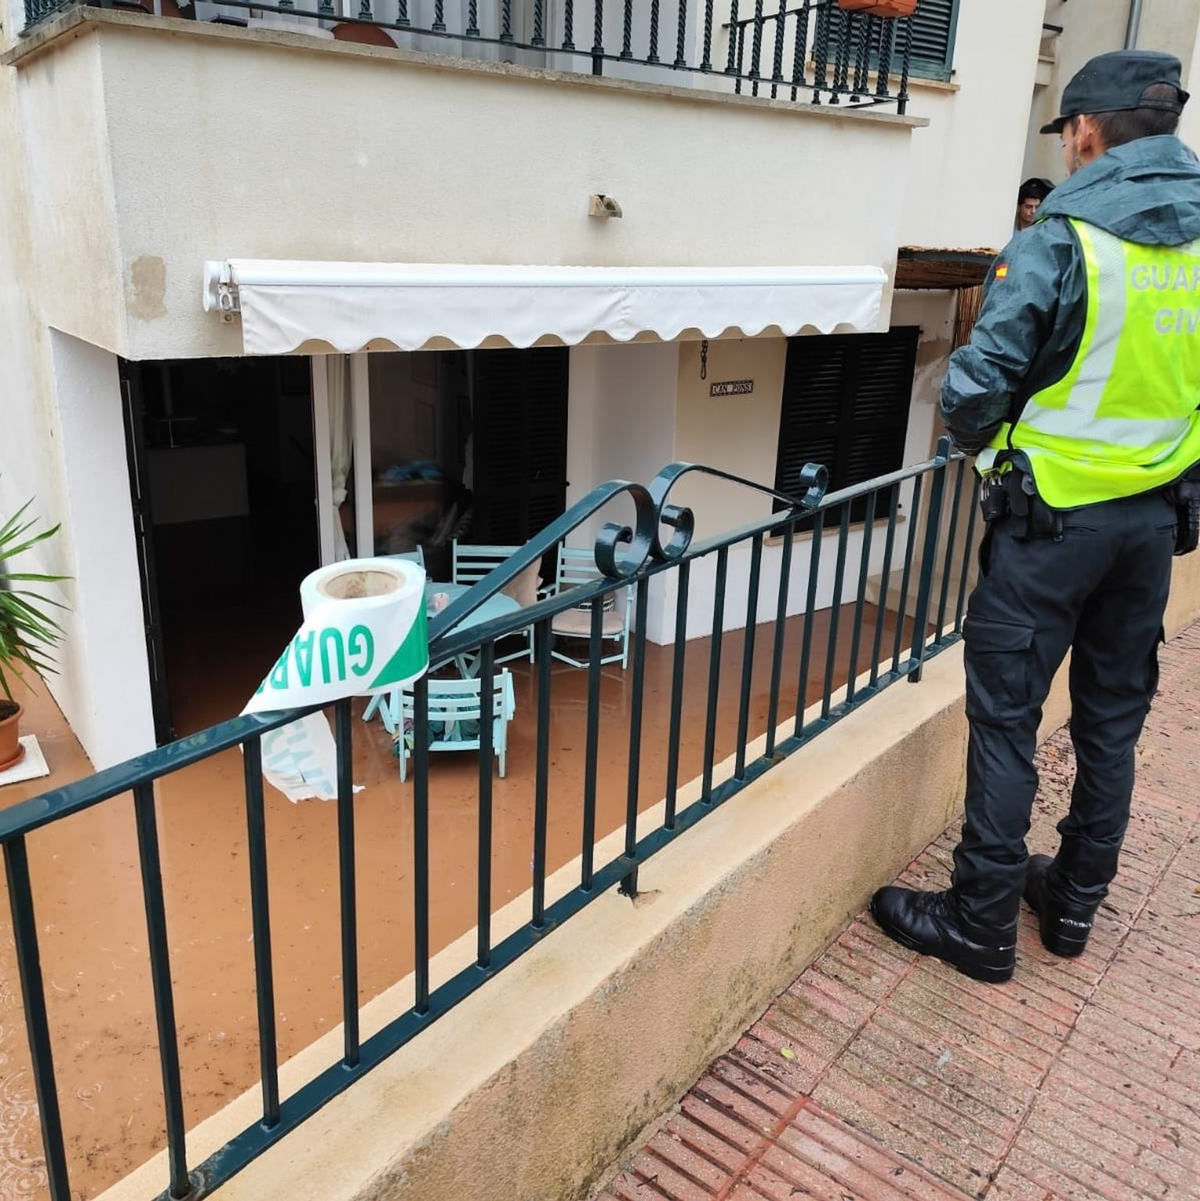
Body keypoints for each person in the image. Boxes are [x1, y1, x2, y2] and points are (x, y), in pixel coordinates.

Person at [870, 50, 1200, 983]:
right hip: (1150, 528)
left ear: (1087, 131)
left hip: (1050, 525)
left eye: (1065, 131)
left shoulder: (1063, 237)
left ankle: (979, 922)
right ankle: (1072, 905)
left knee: (1008, 723)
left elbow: (971, 389)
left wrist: (991, 453)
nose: (1063, 146)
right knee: (1110, 725)